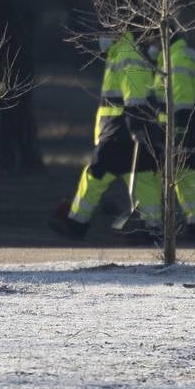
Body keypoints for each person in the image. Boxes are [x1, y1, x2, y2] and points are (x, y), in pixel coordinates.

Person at [48, 32, 162, 241]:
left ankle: (77, 223)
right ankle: (153, 228)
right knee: (144, 177)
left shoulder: (127, 52)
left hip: (119, 130)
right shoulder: (124, 52)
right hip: (128, 129)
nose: (101, 37)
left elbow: (134, 94)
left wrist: (135, 126)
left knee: (96, 175)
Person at [149, 37, 195, 240]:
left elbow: (182, 103)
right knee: (182, 173)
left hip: (183, 128)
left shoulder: (176, 60)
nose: (151, 46)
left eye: (153, 41)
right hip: (184, 127)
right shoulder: (174, 57)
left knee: (185, 173)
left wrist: (179, 136)